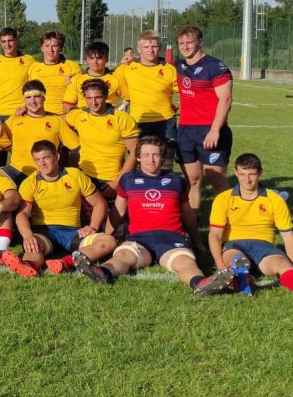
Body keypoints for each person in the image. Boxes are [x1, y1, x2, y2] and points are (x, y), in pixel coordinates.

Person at [73, 136, 237, 296]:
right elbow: (118, 211)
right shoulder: (128, 180)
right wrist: (107, 236)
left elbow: (188, 216)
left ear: (163, 157)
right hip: (139, 239)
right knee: (123, 256)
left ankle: (200, 283)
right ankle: (102, 273)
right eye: (146, 155)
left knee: (185, 262)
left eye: (155, 155)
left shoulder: (176, 181)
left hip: (171, 238)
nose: (151, 160)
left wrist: (197, 243)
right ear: (138, 157)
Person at [208, 153, 293, 300]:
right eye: (242, 174)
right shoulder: (223, 199)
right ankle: (241, 280)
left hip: (264, 247)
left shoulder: (275, 200)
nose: (247, 179)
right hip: (234, 245)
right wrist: (220, 265)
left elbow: (288, 236)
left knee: (282, 264)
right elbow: (214, 235)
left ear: (260, 172)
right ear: (235, 172)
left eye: (252, 174)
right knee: (237, 259)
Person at [1, 140, 114, 277]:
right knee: (33, 246)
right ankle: (28, 266)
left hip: (73, 232)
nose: (42, 163)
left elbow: (99, 203)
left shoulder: (75, 175)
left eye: (46, 158)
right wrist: (28, 236)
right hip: (44, 231)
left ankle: (65, 263)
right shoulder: (30, 182)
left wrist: (93, 227)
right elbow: (22, 213)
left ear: (57, 157)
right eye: (37, 160)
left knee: (108, 241)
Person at [175, 25, 233, 214]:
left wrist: (215, 130)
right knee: (192, 181)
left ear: (200, 42)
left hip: (210, 129)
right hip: (185, 130)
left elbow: (226, 99)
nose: (185, 46)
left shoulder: (216, 66)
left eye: (189, 42)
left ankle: (227, 225)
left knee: (216, 179)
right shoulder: (178, 66)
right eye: (181, 43)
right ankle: (194, 227)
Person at [64, 79, 138, 197]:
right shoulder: (79, 115)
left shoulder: (122, 118)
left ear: (106, 96)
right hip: (84, 177)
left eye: (97, 97)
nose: (93, 102)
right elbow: (55, 119)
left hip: (111, 181)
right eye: (89, 98)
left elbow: (135, 152)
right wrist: (25, 110)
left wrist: (117, 182)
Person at [2, 80, 80, 185]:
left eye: (37, 96)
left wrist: (71, 170)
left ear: (44, 97)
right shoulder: (15, 119)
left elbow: (76, 147)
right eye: (28, 98)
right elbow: (0, 141)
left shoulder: (56, 120)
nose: (32, 101)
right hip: (16, 170)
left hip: (45, 173)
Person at [115, 30, 178, 157]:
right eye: (146, 47)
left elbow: (185, 92)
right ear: (139, 49)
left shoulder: (169, 69)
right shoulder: (126, 68)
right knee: (139, 159)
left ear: (159, 47)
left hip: (166, 121)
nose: (150, 50)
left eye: (154, 46)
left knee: (165, 159)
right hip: (139, 120)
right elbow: (107, 82)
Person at [26, 30, 82, 115]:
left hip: (65, 117)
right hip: (41, 116)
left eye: (54, 46)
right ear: (42, 48)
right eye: (47, 46)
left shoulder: (72, 67)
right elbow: (28, 94)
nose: (50, 49)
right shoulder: (34, 68)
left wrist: (72, 85)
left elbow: (83, 94)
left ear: (60, 48)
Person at [0, 27, 35, 122]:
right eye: (3, 41)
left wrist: (26, 107)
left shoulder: (29, 60)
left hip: (22, 112)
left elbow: (35, 87)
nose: (7, 44)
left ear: (16, 40)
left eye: (10, 41)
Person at [62, 41, 121, 113]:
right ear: (86, 59)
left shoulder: (116, 78)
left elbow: (129, 98)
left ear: (106, 59)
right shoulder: (76, 79)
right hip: (84, 121)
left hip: (108, 121)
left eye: (99, 58)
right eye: (91, 58)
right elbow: (67, 106)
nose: (95, 62)